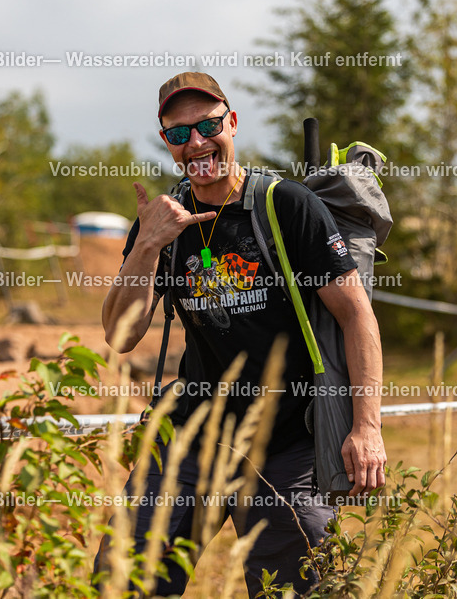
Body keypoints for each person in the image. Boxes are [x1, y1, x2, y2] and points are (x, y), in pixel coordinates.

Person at [95, 72, 386, 595]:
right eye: (179, 134)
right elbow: (122, 335)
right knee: (120, 582)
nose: (197, 143)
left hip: (285, 446)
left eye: (208, 125)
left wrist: (366, 427)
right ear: (168, 143)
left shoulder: (287, 206)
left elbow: (356, 316)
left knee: (296, 591)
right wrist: (146, 247)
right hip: (190, 441)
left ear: (232, 122)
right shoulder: (163, 221)